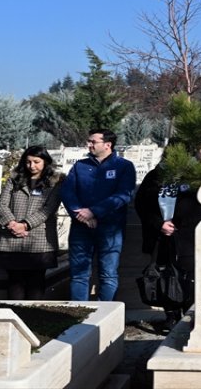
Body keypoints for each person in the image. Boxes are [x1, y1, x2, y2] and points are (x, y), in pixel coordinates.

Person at [134, 144, 201, 328]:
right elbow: (142, 204)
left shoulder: (195, 175)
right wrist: (159, 224)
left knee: (189, 276)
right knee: (164, 275)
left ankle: (189, 314)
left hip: (187, 236)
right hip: (161, 235)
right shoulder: (155, 176)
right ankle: (171, 315)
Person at [60, 129, 136, 301]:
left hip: (111, 228)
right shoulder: (80, 166)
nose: (89, 145)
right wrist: (80, 214)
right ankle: (78, 316)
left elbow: (124, 195)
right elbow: (67, 192)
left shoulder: (124, 166)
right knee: (79, 274)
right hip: (81, 227)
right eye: (89, 141)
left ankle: (103, 316)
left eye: (93, 142)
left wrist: (94, 211)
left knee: (108, 274)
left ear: (108, 145)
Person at [0, 146, 66, 300]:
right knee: (14, 281)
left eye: (36, 162)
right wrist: (12, 223)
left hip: (39, 240)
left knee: (36, 282)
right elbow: (2, 204)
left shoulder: (56, 182)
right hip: (11, 239)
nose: (32, 166)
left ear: (45, 162)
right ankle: (15, 315)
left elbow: (49, 209)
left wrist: (25, 224)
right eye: (28, 162)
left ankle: (34, 318)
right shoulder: (14, 179)